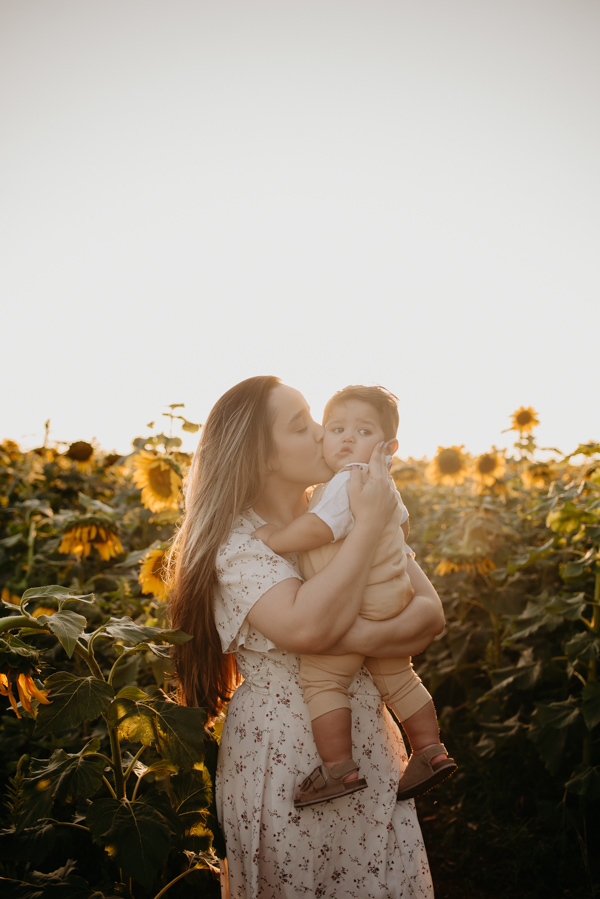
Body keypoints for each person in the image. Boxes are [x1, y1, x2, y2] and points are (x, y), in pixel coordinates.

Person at [168, 376, 445, 898]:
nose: (323, 433)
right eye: (302, 426)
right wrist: (367, 529)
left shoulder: (344, 505)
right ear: (262, 458)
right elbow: (308, 628)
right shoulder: (240, 543)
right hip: (287, 753)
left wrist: (347, 633)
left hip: (369, 739)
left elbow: (429, 616)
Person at [252, 385, 456, 808]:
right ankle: (430, 750)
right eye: (337, 428)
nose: (345, 438)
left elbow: (318, 530)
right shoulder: (381, 484)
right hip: (392, 598)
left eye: (363, 431)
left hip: (358, 603)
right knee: (399, 676)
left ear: (388, 447)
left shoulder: (347, 481)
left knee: (323, 680)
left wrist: (275, 538)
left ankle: (338, 768)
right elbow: (401, 531)